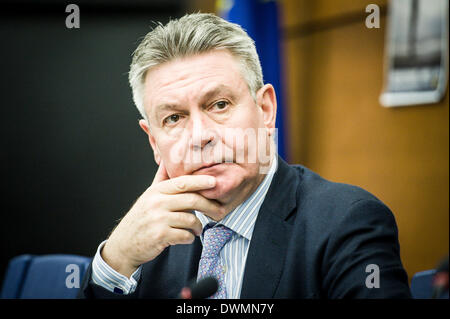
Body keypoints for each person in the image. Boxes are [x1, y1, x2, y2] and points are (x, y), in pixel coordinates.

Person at [78, 13, 411, 299]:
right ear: (154, 143)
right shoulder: (146, 245)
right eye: (174, 118)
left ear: (265, 109)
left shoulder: (346, 222)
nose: (200, 136)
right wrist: (115, 259)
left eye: (219, 104)